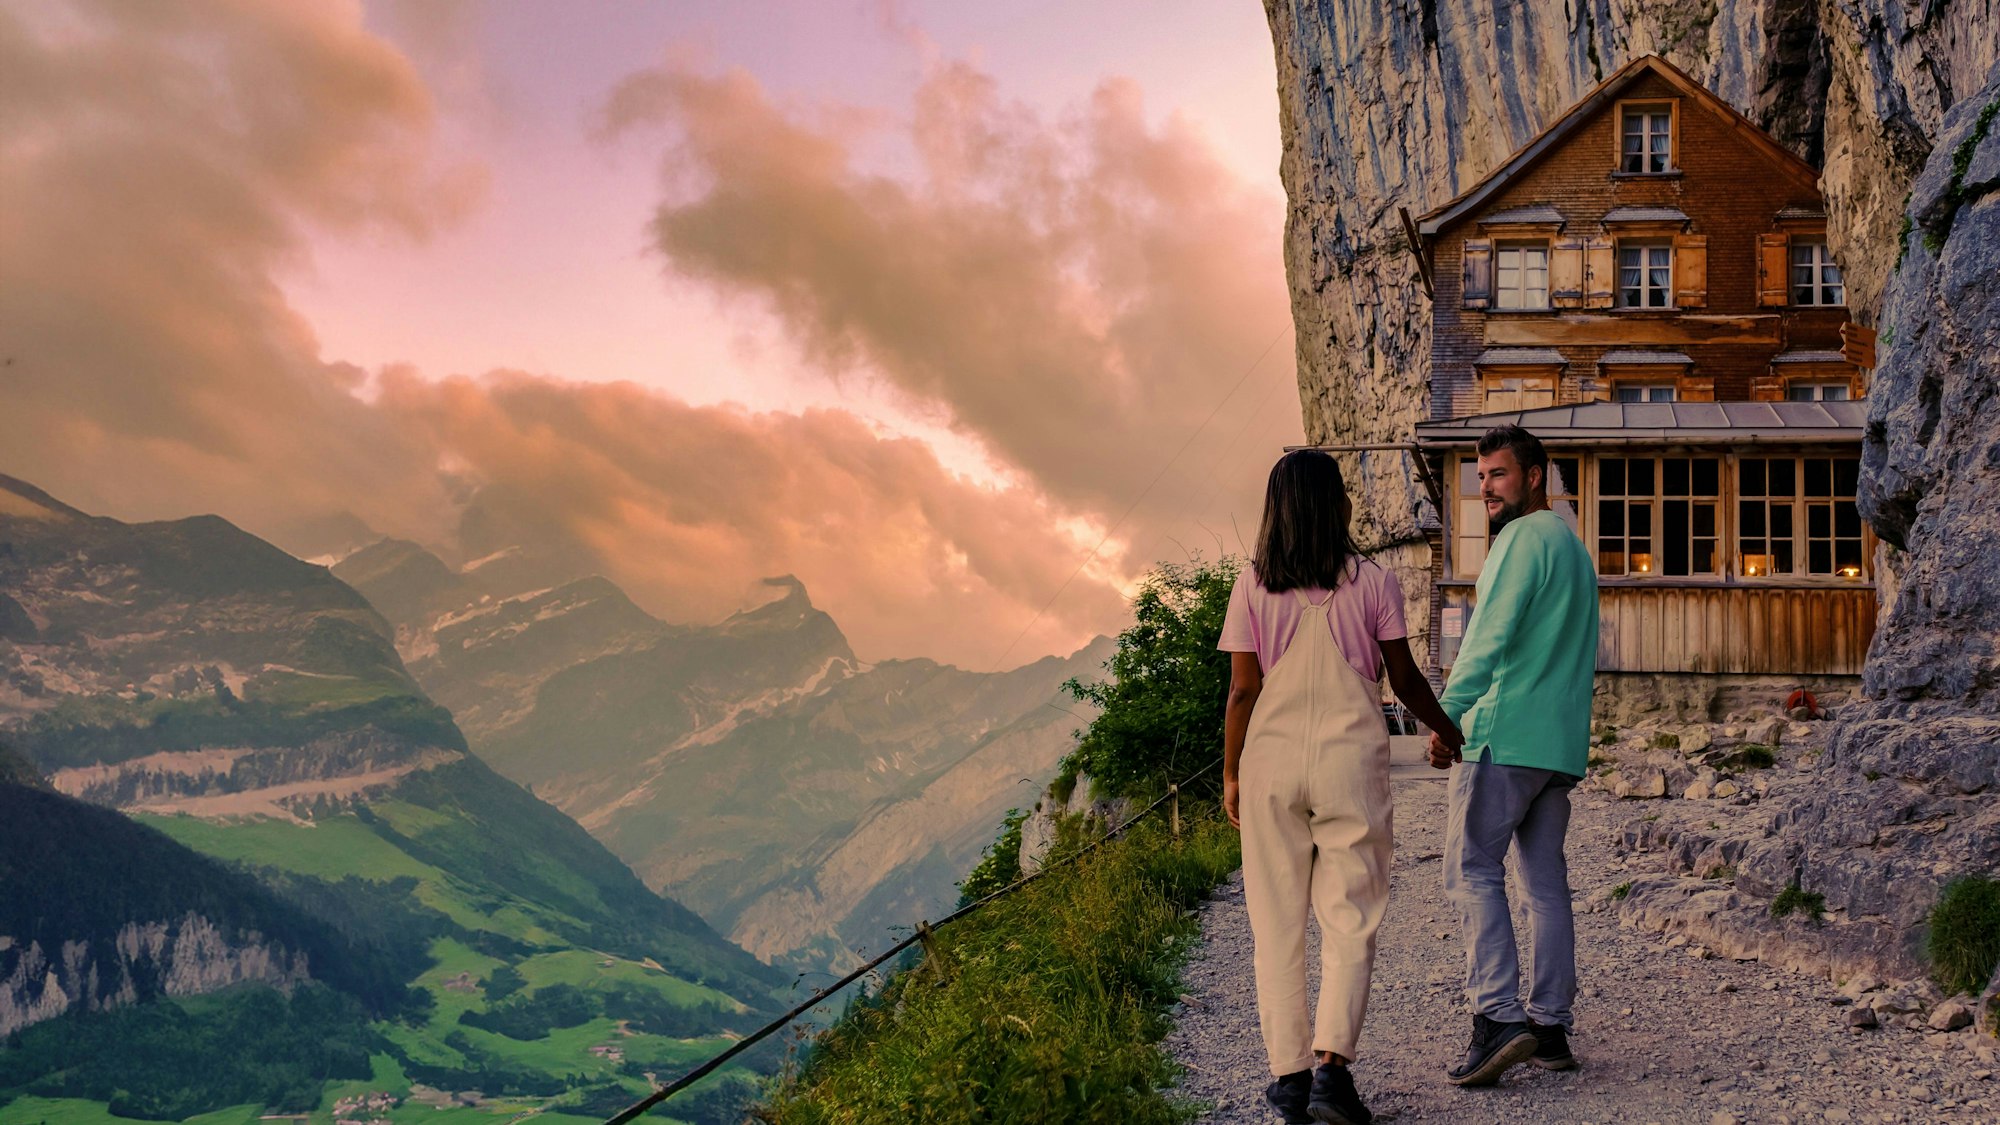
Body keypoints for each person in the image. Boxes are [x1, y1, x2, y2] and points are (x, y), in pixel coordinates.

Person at [1220, 449, 1465, 1125]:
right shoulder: (1374, 583)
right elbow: (1405, 679)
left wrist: (1232, 773)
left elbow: (1242, 690)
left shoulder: (1251, 585)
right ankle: (1331, 1071)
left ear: (1275, 511)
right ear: (1338, 506)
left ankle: (1289, 1077)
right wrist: (1448, 730)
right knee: (1351, 915)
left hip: (1271, 765)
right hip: (1349, 766)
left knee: (1275, 925)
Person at [1428, 424, 1599, 1087]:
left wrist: (1448, 715)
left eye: (1497, 474)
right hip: (1557, 746)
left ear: (1533, 476)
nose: (1486, 489)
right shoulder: (1574, 550)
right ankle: (1550, 1026)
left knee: (1471, 868)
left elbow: (1487, 636)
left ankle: (1498, 1016)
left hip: (1504, 735)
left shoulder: (1521, 539)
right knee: (1545, 883)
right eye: (1480, 477)